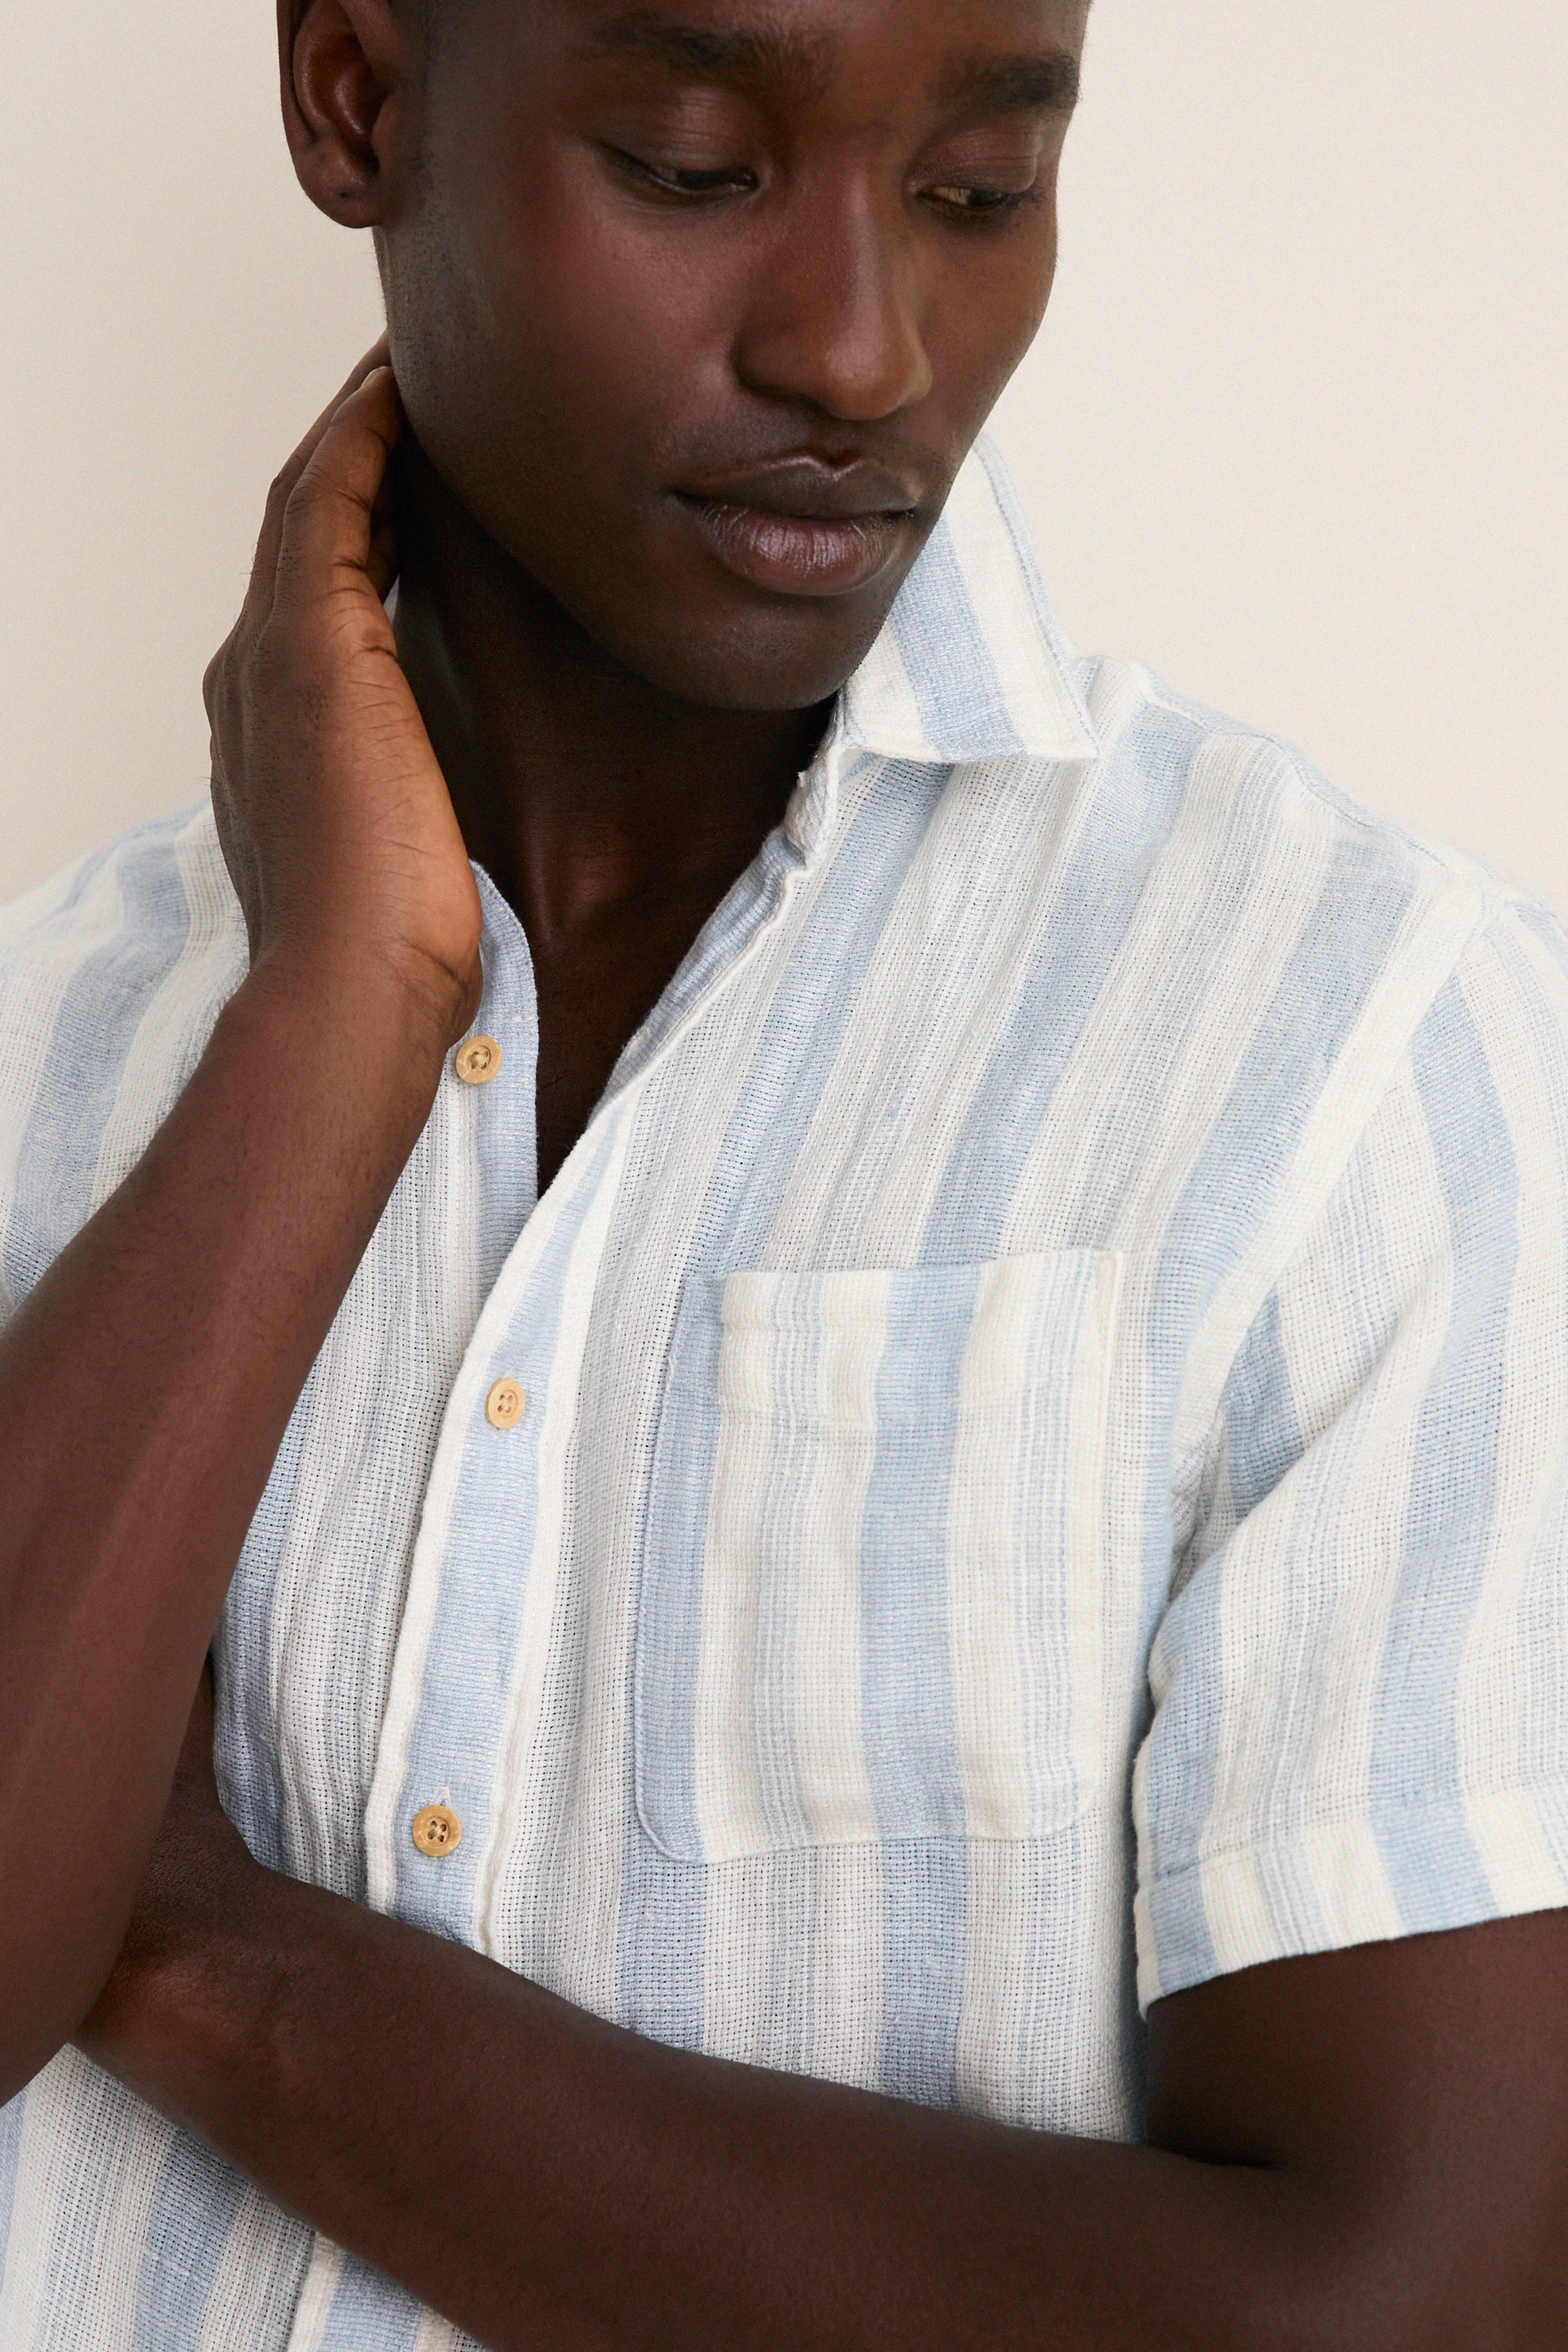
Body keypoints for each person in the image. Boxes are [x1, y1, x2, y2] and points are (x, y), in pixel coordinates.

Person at [1, 0, 1566, 2343]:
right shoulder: (42, 1035)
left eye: (975, 194)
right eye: (691, 162)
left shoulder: (1344, 1044)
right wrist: (327, 1025)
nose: (861, 344)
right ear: (356, 98)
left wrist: (203, 1952)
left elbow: (1406, 2306)